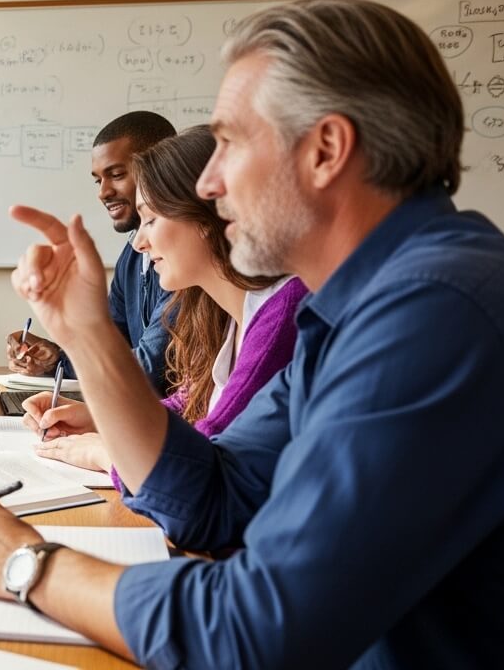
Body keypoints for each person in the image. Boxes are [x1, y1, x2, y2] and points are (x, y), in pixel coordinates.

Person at [0, 0, 504, 667]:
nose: (210, 184)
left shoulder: (435, 314)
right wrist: (88, 334)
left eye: (230, 143)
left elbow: (257, 633)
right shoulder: (359, 305)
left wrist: (27, 566)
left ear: (326, 150)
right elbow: (217, 497)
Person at [24, 126, 307, 486]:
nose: (139, 242)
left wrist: (106, 451)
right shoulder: (218, 313)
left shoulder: (283, 312)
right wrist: (98, 418)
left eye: (152, 220)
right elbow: (187, 407)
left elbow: (203, 460)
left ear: (207, 214)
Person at [7, 112, 176, 395]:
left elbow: (147, 370)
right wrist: (57, 357)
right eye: (98, 180)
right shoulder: (132, 254)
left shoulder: (183, 261)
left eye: (117, 175)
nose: (103, 192)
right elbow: (109, 347)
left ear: (161, 168)